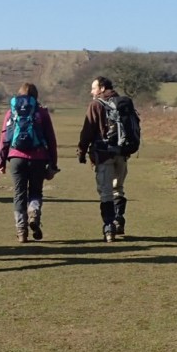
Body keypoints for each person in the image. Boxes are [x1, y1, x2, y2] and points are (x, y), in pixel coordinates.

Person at [0, 82, 59, 242]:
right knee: (36, 192)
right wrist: (53, 163)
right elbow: (51, 139)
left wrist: (1, 161)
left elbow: (5, 139)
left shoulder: (10, 113)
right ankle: (34, 213)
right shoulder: (42, 113)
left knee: (19, 194)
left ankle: (21, 231)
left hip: (16, 157)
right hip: (38, 158)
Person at [76, 75, 129, 242]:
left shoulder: (95, 105)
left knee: (105, 193)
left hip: (103, 154)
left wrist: (81, 152)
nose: (91, 91)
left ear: (102, 88)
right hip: (122, 153)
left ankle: (109, 227)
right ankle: (118, 218)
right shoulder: (124, 103)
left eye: (94, 88)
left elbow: (87, 131)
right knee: (118, 188)